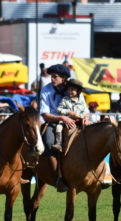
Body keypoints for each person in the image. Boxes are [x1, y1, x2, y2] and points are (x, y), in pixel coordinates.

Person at [40, 64, 76, 192]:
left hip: (74, 122)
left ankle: (98, 177)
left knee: (91, 139)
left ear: (64, 78)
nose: (52, 79)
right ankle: (59, 179)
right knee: (49, 143)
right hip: (53, 123)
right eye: (51, 76)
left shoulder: (73, 88)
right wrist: (62, 118)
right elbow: (44, 115)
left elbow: (84, 106)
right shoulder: (46, 90)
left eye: (55, 77)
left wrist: (86, 116)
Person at [52, 79, 90, 152]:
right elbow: (59, 109)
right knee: (58, 127)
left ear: (78, 91)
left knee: (90, 126)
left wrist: (83, 117)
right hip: (67, 121)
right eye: (68, 90)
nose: (69, 92)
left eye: (72, 90)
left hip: (79, 121)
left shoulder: (81, 101)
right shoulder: (65, 100)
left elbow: (85, 111)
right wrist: (69, 112)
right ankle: (58, 144)